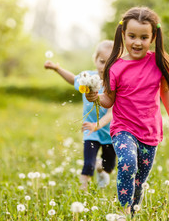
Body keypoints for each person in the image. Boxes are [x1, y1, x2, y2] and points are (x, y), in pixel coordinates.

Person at [85, 7, 169, 219]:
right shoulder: (116, 67)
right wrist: (96, 97)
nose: (137, 42)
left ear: (153, 37)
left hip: (150, 132)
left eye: (144, 37)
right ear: (123, 35)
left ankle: (134, 210)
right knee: (128, 163)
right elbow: (109, 100)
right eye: (132, 36)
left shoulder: (157, 63)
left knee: (140, 181)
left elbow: (165, 92)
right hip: (123, 129)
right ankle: (124, 210)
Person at [44, 40, 116, 190]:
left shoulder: (114, 84)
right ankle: (83, 190)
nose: (105, 66)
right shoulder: (87, 78)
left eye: (110, 62)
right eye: (102, 61)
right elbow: (72, 79)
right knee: (88, 163)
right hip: (90, 131)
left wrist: (98, 125)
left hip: (109, 132)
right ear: (95, 60)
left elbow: (112, 113)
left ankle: (101, 168)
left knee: (109, 166)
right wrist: (57, 68)